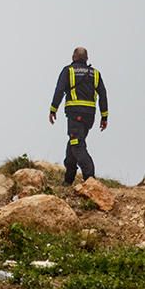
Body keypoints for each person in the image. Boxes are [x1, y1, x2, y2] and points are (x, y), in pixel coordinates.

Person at [49, 46, 109, 185]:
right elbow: (103, 95)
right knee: (74, 143)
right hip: (89, 116)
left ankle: (90, 177)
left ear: (73, 57)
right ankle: (68, 180)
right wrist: (104, 116)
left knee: (77, 145)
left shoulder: (68, 71)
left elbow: (59, 90)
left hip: (75, 113)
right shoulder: (95, 73)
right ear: (86, 58)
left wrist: (53, 109)